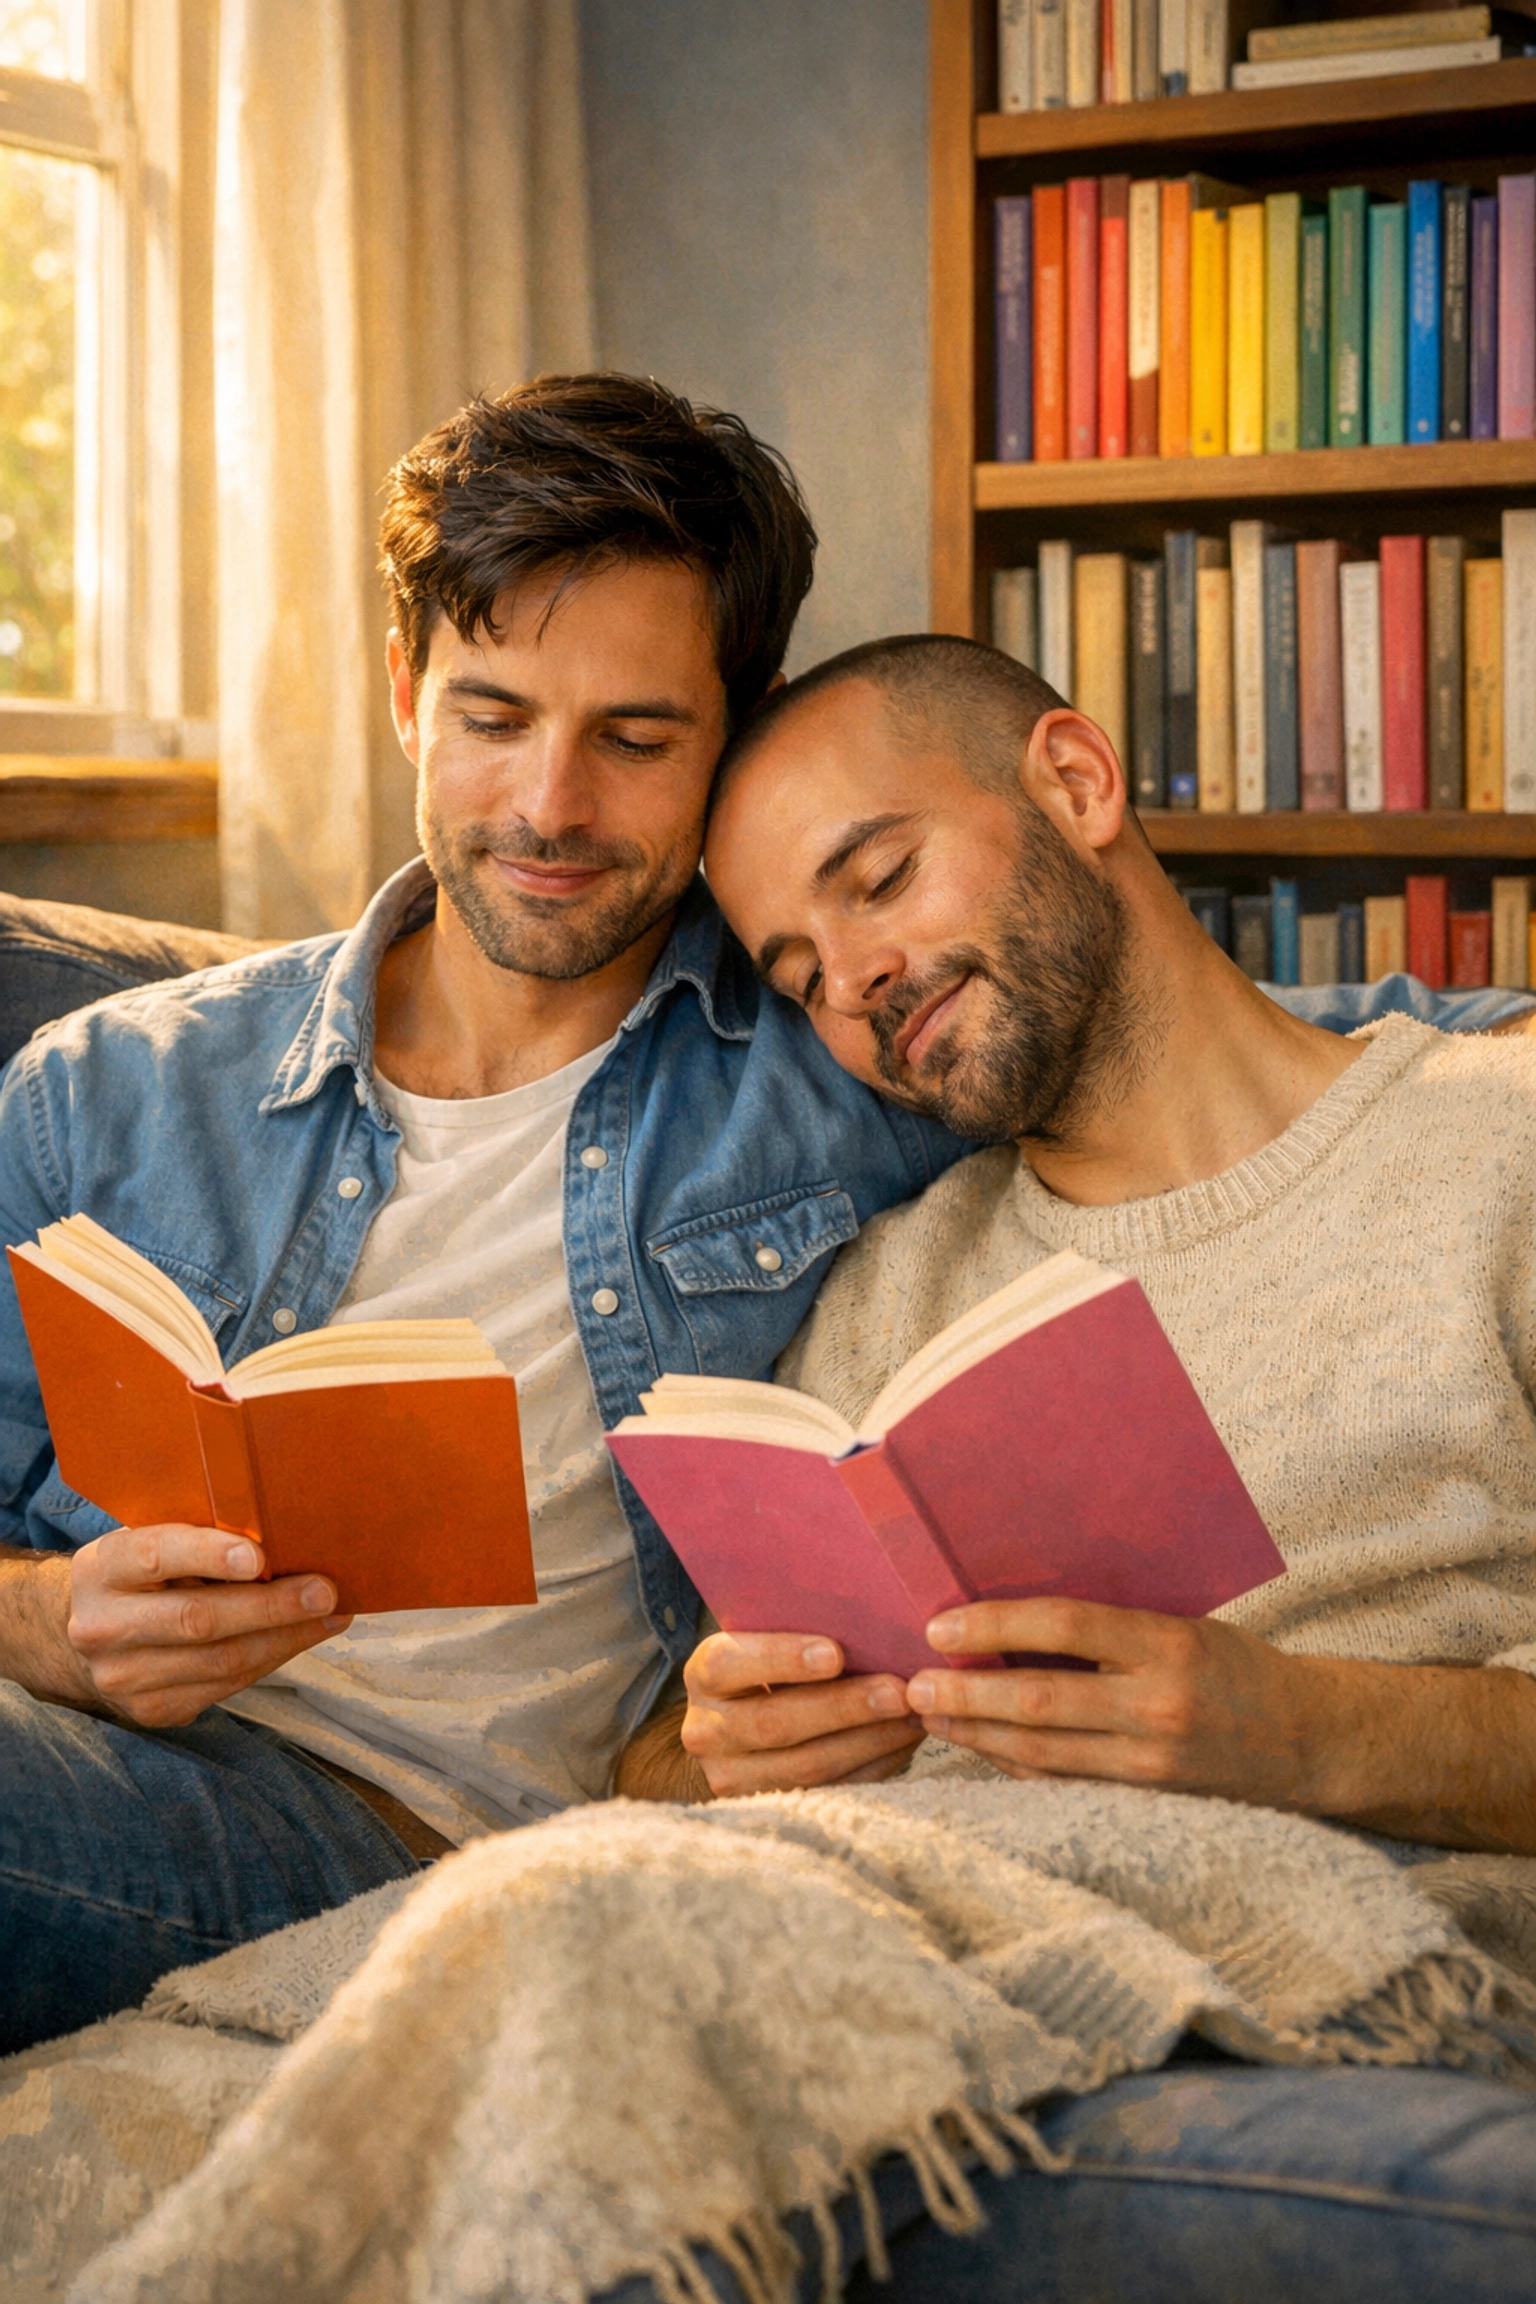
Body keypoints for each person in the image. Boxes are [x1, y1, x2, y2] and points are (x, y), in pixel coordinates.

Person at [0, 378, 1514, 2058]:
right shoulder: (104, 1092)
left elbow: (1196, 1019)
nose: (551, 809)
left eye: (638, 740)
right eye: (492, 716)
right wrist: (53, 1629)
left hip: (399, 1836)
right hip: (94, 1743)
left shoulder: (840, 1054)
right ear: (404, 693)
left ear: (735, 731)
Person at [612, 631, 1536, 2300]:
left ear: (1079, 780)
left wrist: (1301, 1728)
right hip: (887, 1946)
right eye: (803, 971)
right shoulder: (894, 1289)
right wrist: (727, 1749)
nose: (860, 984)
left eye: (880, 879)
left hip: (1303, 1980)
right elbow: (653, 1782)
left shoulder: (1503, 1142)